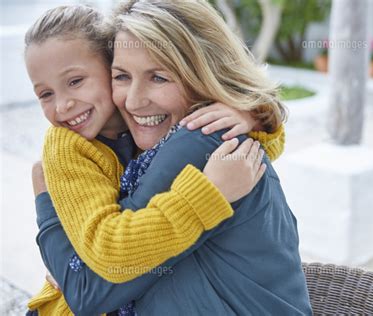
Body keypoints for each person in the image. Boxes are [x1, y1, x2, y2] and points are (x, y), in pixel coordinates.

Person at [24, 4, 285, 315]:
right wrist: (208, 195)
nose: (63, 106)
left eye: (76, 81)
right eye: (45, 94)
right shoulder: (68, 144)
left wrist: (252, 115)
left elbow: (256, 152)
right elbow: (102, 261)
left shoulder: (150, 127)